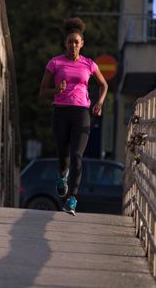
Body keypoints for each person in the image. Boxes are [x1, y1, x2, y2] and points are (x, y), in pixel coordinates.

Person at [39, 18, 108, 215]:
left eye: (76, 42)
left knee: (77, 155)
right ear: (65, 43)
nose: (73, 45)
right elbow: (42, 91)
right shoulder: (55, 63)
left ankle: (72, 199)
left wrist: (99, 103)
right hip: (60, 112)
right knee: (63, 154)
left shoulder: (89, 64)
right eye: (70, 42)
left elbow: (104, 85)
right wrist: (56, 89)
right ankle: (62, 177)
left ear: (82, 44)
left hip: (81, 112)